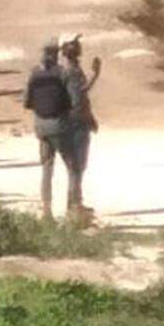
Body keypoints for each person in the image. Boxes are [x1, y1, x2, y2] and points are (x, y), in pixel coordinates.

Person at [23, 39, 78, 220]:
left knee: (47, 168)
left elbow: (27, 102)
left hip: (41, 126)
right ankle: (73, 210)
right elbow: (74, 101)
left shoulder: (34, 74)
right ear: (56, 54)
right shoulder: (62, 73)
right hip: (59, 125)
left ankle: (46, 211)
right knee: (73, 167)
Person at [59, 33, 101, 221]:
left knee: (75, 166)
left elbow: (79, 92)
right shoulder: (73, 71)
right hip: (77, 123)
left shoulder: (67, 70)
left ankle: (74, 203)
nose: (78, 47)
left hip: (69, 122)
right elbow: (78, 99)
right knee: (77, 165)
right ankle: (75, 205)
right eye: (75, 45)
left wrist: (94, 75)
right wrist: (88, 118)